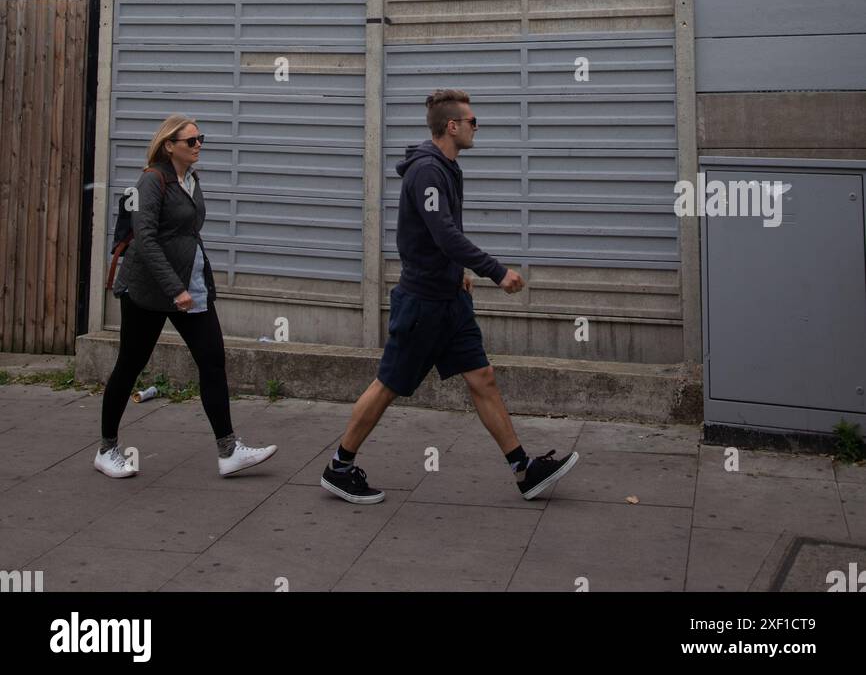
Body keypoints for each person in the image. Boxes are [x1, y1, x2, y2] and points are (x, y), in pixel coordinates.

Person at [321, 89, 578, 504]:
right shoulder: (427, 171)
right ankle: (339, 466)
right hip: (422, 303)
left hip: (450, 301)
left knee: (483, 378)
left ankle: (523, 469)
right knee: (388, 385)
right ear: (452, 126)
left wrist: (457, 272)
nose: (477, 128)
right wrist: (495, 271)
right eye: (473, 121)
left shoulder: (448, 168)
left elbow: (435, 235)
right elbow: (443, 233)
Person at [95, 115, 277, 479]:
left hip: (189, 285)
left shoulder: (191, 180)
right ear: (169, 145)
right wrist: (173, 288)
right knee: (131, 364)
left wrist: (192, 283)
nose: (198, 146)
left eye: (200, 139)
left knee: (212, 359)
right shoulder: (151, 180)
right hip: (149, 290)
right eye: (191, 141)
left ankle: (229, 451)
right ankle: (106, 449)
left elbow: (187, 233)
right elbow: (144, 240)